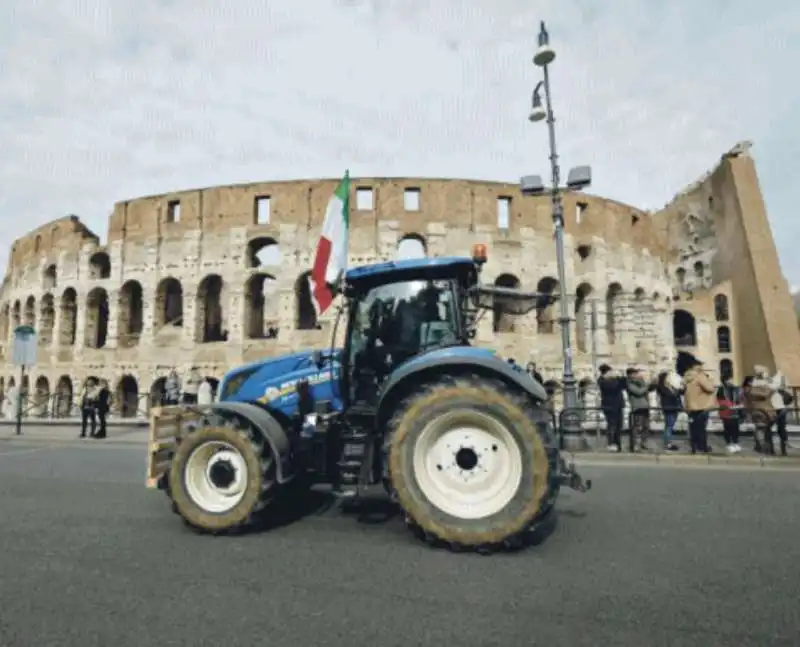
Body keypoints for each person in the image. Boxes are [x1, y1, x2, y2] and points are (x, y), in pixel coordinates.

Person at [683, 358, 716, 454]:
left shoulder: (687, 376)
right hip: (701, 406)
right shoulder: (700, 376)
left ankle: (694, 447)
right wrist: (710, 379)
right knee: (701, 428)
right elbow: (710, 388)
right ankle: (703, 447)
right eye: (701, 365)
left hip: (690, 406)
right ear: (697, 366)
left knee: (693, 428)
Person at [597, 364, 626, 452]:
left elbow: (623, 385)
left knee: (619, 425)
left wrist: (621, 377)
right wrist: (616, 379)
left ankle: (618, 443)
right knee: (612, 425)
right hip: (609, 406)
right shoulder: (602, 381)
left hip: (618, 405)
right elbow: (613, 388)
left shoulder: (613, 380)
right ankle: (611, 443)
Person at [626, 367, 652, 452]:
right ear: (630, 375)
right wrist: (646, 385)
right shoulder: (629, 383)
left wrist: (645, 384)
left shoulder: (640, 382)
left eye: (636, 373)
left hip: (645, 406)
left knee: (646, 426)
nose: (636, 375)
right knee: (637, 426)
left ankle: (644, 443)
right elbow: (639, 392)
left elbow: (646, 391)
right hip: (637, 407)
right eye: (634, 373)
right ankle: (635, 444)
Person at [655, 371, 682, 452]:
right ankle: (667, 444)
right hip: (669, 408)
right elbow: (670, 395)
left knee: (669, 426)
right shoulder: (662, 388)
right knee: (669, 427)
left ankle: (668, 442)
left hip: (674, 408)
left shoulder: (671, 386)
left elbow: (678, 394)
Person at [716, 373, 742, 454]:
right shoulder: (721, 389)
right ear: (724, 381)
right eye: (728, 379)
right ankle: (729, 443)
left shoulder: (735, 388)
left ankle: (735, 442)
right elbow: (720, 400)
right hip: (726, 412)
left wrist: (738, 405)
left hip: (735, 411)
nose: (730, 381)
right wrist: (728, 405)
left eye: (731, 379)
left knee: (735, 428)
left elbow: (739, 398)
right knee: (727, 428)